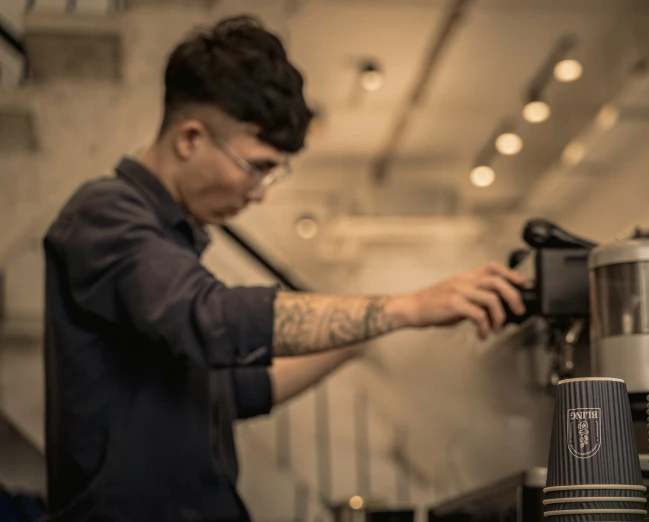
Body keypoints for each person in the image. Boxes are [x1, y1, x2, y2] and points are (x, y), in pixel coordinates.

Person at [42, 14, 525, 522]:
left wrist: (363, 337)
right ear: (190, 138)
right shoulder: (106, 215)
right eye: (258, 166)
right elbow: (213, 319)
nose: (258, 192)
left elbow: (237, 390)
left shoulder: (165, 245)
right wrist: (406, 307)